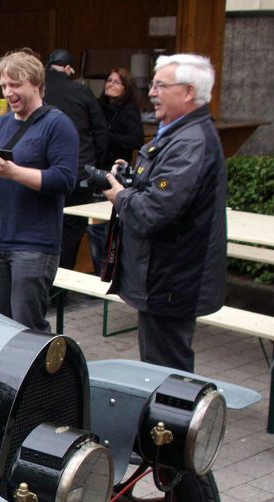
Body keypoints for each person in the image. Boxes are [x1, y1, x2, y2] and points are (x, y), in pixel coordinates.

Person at [102, 54, 226, 372]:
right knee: (159, 366)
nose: (152, 93)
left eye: (160, 85)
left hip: (172, 279)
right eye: (153, 85)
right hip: (165, 277)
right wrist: (133, 178)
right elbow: (164, 194)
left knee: (166, 371)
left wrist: (120, 196)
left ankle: (172, 408)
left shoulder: (190, 142)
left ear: (188, 92)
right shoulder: (178, 133)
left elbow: (153, 211)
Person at [0, 49, 78, 332]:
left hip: (33, 244)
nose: (8, 92)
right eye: (4, 85)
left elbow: (65, 180)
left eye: (15, 85)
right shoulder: (0, 124)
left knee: (28, 328)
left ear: (36, 84)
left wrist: (13, 172)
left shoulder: (58, 124)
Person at [43, 48, 107, 270]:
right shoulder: (82, 92)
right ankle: (62, 281)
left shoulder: (39, 90)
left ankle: (45, 279)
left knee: (44, 224)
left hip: (43, 172)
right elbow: (100, 132)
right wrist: (95, 165)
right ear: (69, 69)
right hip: (79, 172)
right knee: (71, 231)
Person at [86, 67, 144, 273]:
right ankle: (100, 271)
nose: (110, 84)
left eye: (116, 82)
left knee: (106, 227)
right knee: (94, 226)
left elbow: (136, 139)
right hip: (97, 169)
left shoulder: (128, 110)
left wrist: (106, 136)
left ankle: (109, 271)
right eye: (109, 81)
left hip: (116, 173)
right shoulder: (99, 107)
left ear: (126, 87)